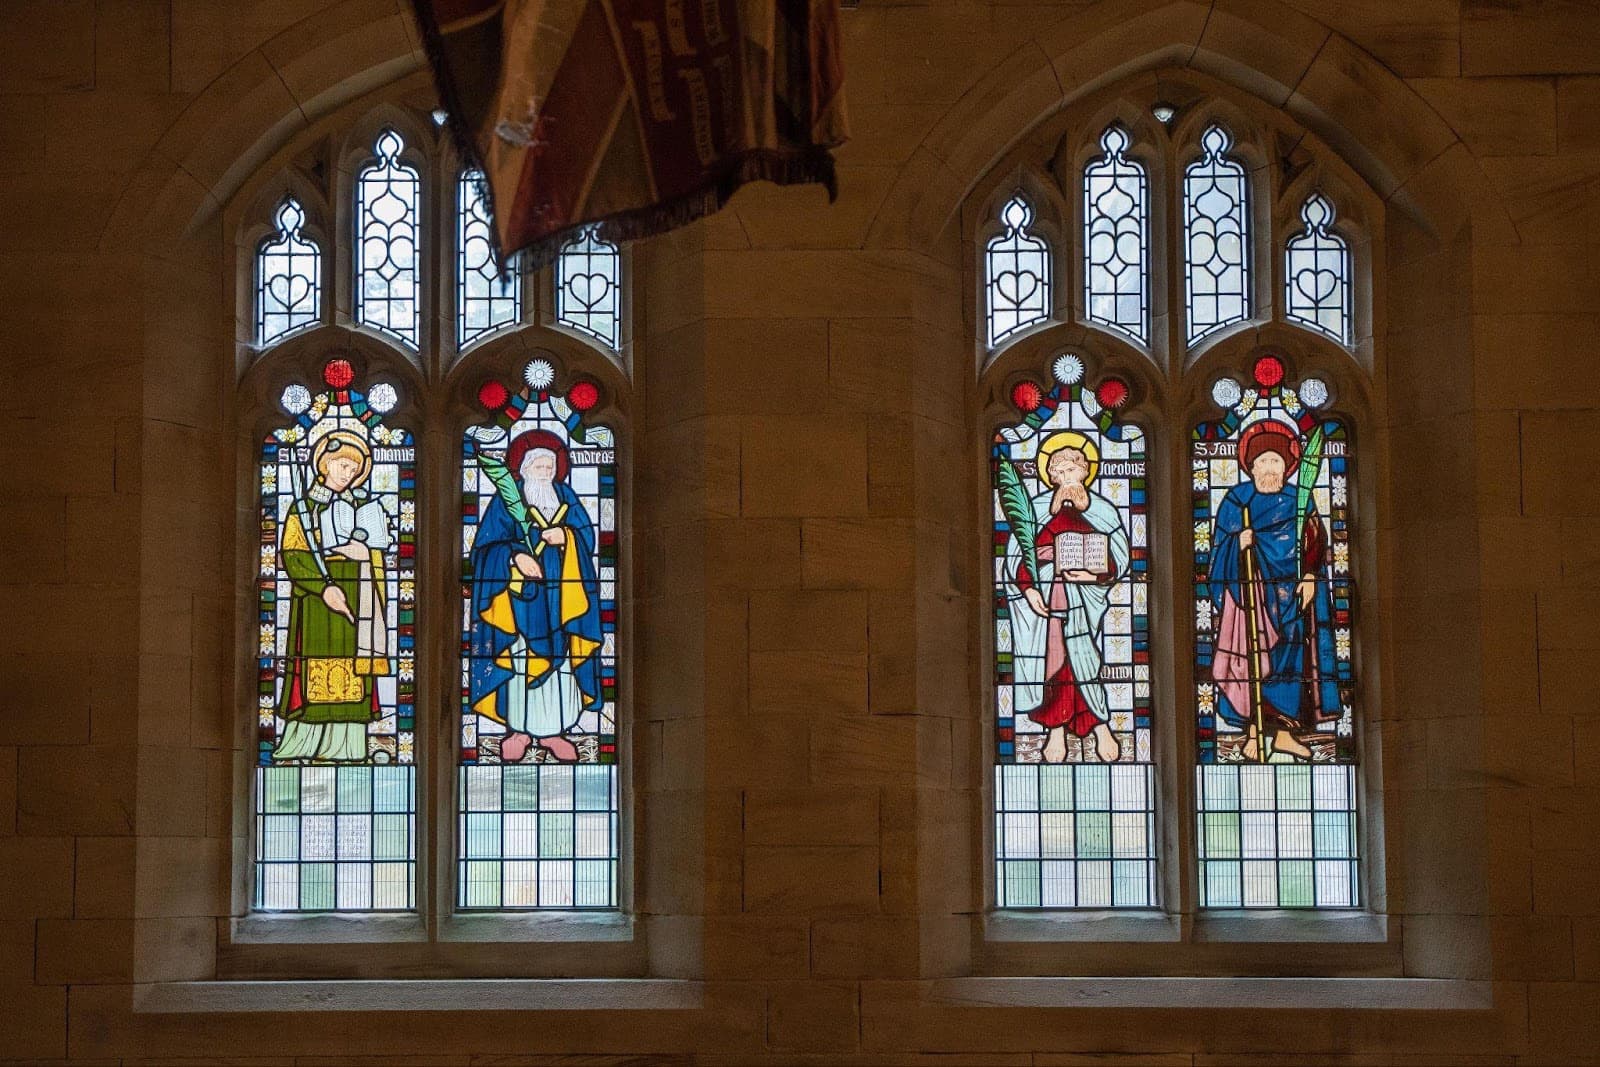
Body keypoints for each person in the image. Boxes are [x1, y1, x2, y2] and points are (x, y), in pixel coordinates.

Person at [467, 430, 604, 763]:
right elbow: (484, 550)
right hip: (519, 603)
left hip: (563, 600)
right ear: (524, 469)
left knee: (562, 666)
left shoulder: (566, 498)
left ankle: (555, 732)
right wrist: (515, 557)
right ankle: (519, 730)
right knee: (518, 662)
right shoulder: (506, 499)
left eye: (550, 467)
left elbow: (586, 539)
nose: (545, 472)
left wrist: (566, 537)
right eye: (538, 466)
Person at [1207, 419, 1340, 761]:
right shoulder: (1238, 500)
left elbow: (1314, 541)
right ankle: (1253, 731)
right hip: (1250, 596)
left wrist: (1310, 577)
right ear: (1250, 466)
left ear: (1288, 466)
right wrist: (1238, 543)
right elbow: (1219, 548)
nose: (1269, 467)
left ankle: (1282, 733)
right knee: (1251, 660)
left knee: (1291, 662)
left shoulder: (1300, 499)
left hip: (1293, 596)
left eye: (1276, 461)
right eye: (1262, 461)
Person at [1007, 431, 1131, 764]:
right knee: (1054, 665)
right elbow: (1021, 558)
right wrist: (1030, 589)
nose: (1066, 479)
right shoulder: (1039, 513)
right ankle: (1056, 731)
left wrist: (1094, 575)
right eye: (1059, 473)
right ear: (1050, 478)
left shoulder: (1102, 511)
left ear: (1085, 472)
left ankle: (1100, 726)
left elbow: (1117, 555)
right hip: (1052, 600)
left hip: (1083, 601)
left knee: (1085, 661)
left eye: (1072, 471)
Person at [273, 429, 393, 763]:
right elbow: (293, 556)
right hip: (316, 602)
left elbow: (380, 549)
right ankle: (305, 745)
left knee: (355, 671)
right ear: (324, 463)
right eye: (343, 466)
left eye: (353, 470)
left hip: (358, 594)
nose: (348, 474)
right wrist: (323, 588)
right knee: (313, 671)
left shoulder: (363, 506)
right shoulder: (303, 508)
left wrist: (366, 554)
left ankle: (348, 747)